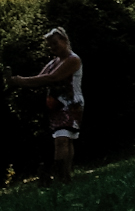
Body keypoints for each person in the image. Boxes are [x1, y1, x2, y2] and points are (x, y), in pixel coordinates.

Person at [9, 28, 83, 183]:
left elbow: (52, 78)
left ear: (64, 40)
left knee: (62, 139)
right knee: (65, 139)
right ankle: (65, 177)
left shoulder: (73, 59)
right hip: (56, 105)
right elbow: (39, 79)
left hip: (71, 104)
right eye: (50, 46)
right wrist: (18, 82)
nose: (53, 48)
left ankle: (60, 176)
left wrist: (21, 80)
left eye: (55, 44)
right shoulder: (53, 62)